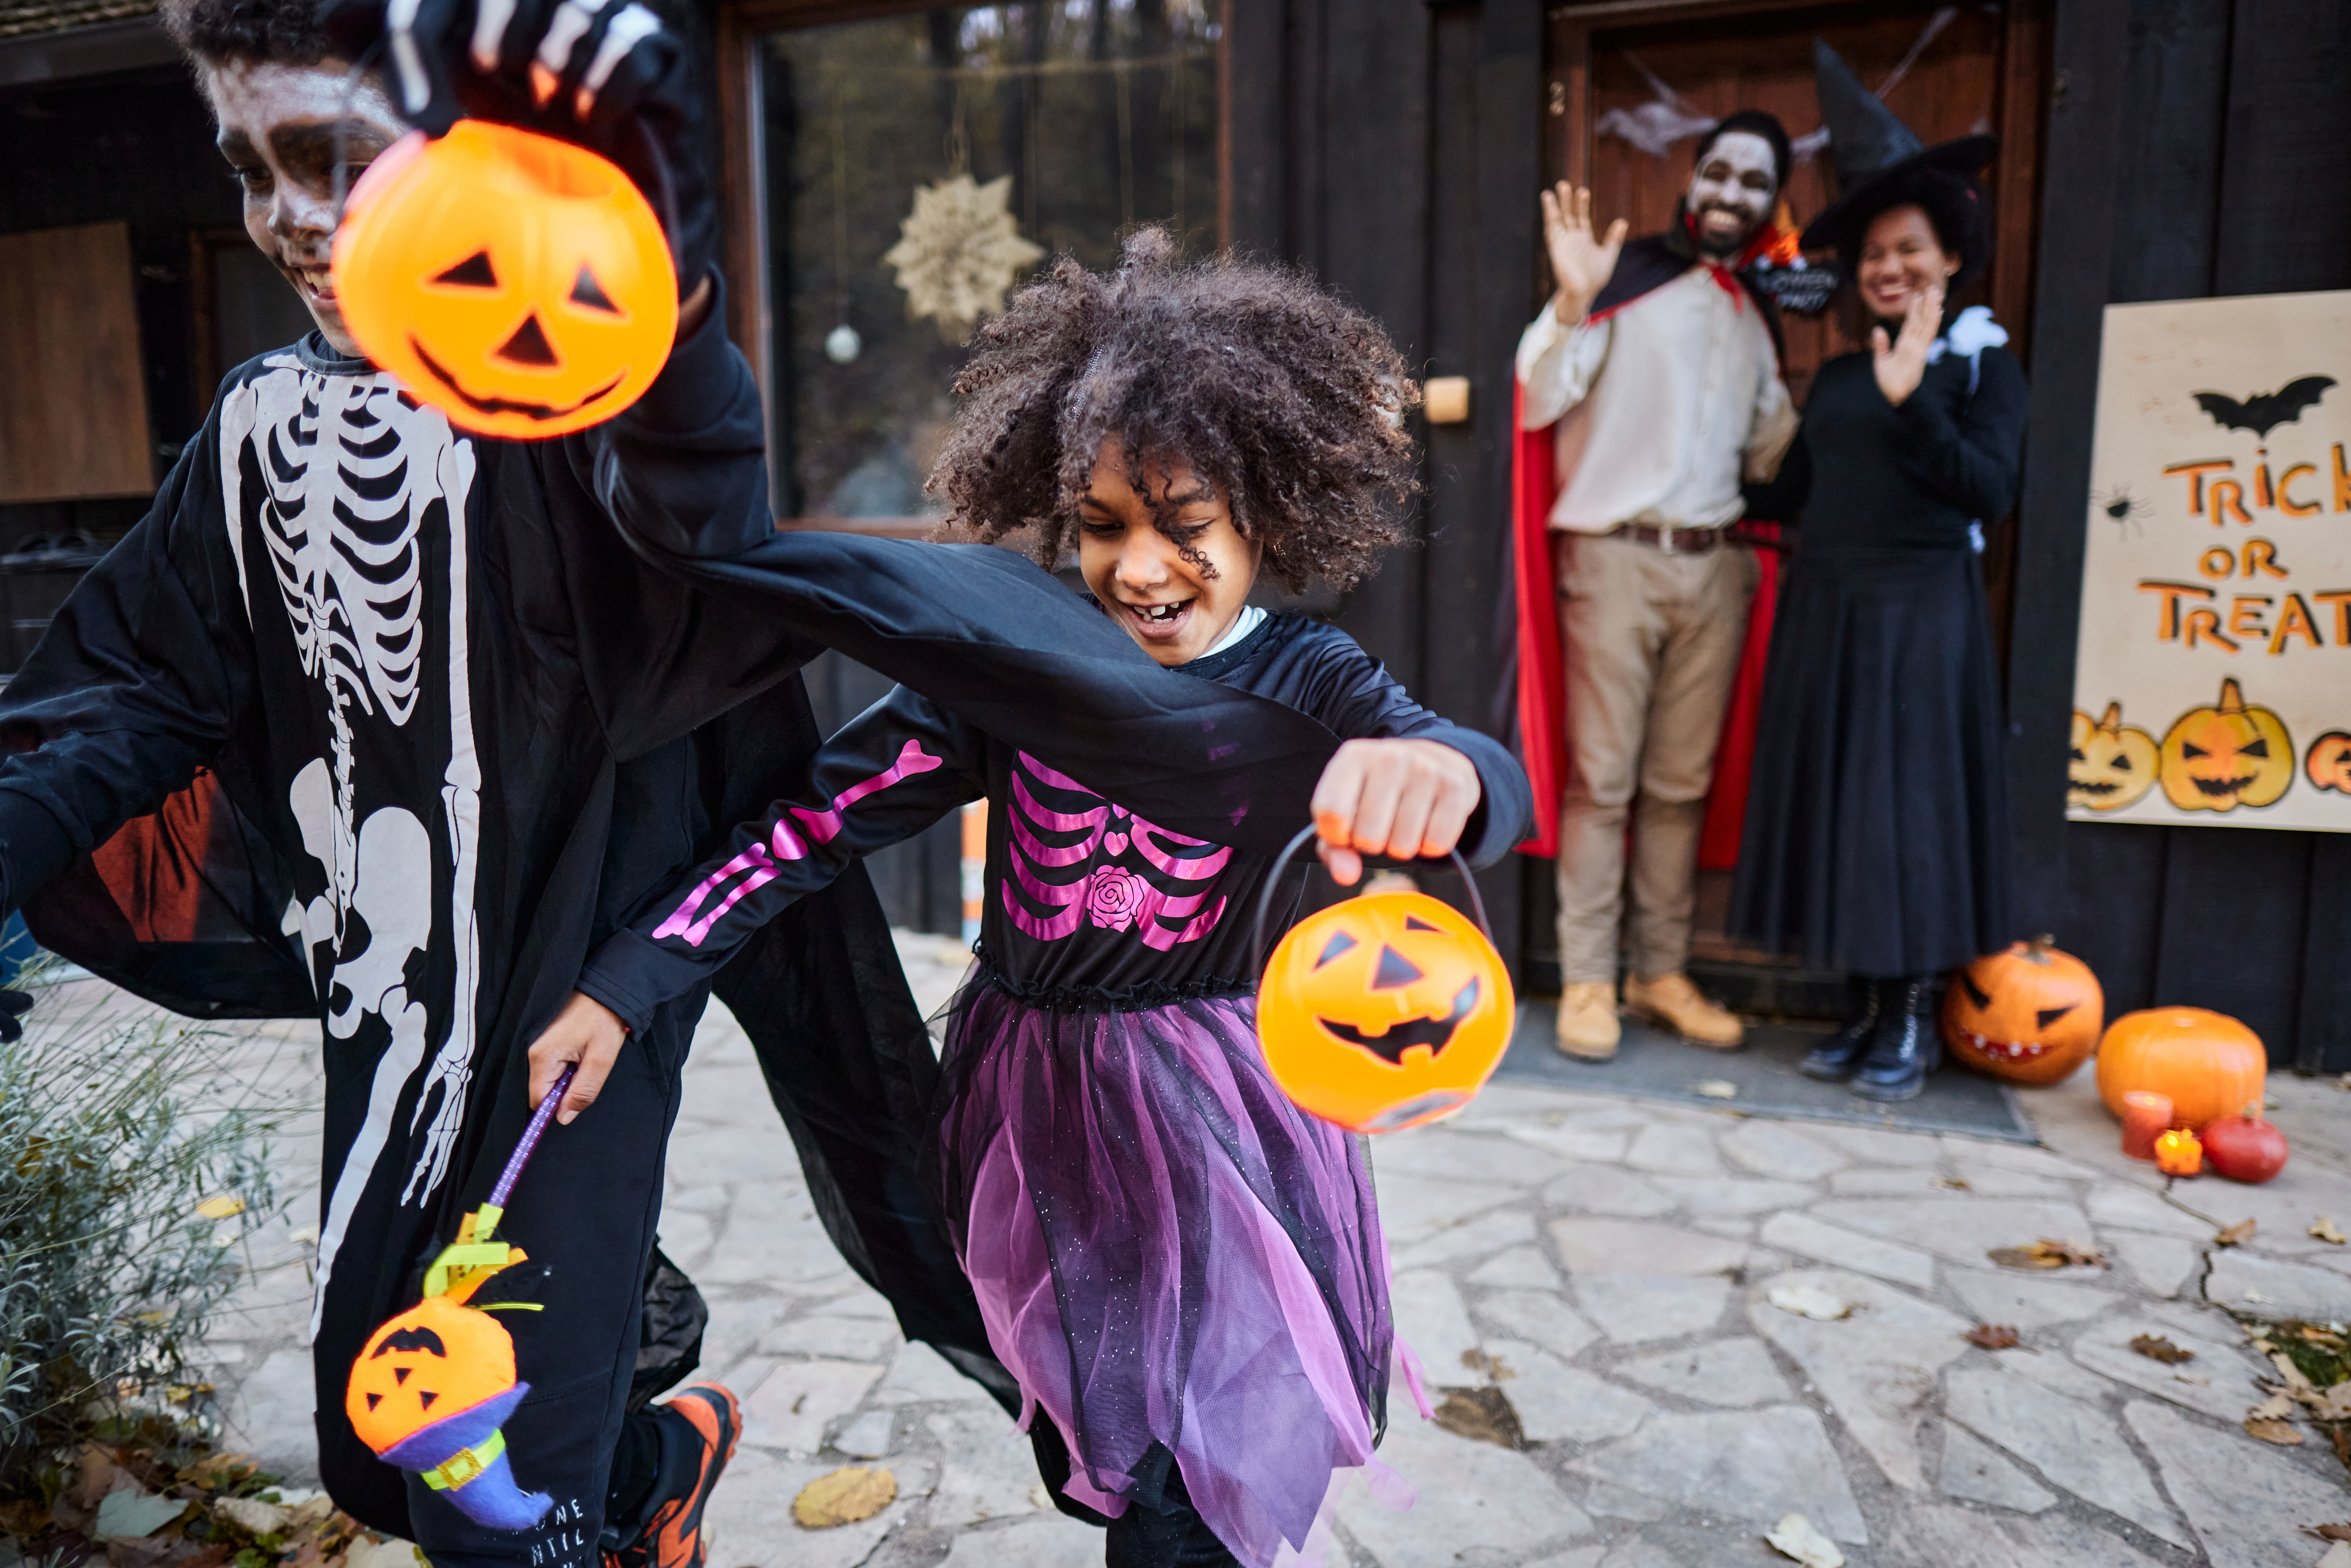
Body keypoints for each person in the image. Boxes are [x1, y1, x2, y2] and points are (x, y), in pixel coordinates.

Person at [0, 6, 1354, 1566]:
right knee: (377, 1455)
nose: (294, 214)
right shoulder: (253, 429)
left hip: (606, 932)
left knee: (552, 1462)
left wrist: (661, 242)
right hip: (408, 986)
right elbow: (136, 701)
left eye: (336, 156)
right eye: (252, 169)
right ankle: (656, 1455)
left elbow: (691, 490)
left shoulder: (551, 386)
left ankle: (1137, 1484)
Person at [530, 231, 1533, 1568]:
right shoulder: (1013, 668)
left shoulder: (1311, 679)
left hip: (1222, 1127)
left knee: (1192, 1462)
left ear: (1264, 517)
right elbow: (807, 825)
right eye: (1104, 526)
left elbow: (1470, 767)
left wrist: (1444, 775)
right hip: (1034, 1111)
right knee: (1092, 1435)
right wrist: (624, 978)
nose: (1141, 567)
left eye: (1186, 526)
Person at [1730, 42, 2024, 1103]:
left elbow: (1987, 489)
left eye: (1909, 251)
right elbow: (1792, 489)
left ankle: (1911, 1014)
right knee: (1842, 810)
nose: (1888, 270)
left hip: (1921, 622)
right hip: (1832, 611)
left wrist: (1920, 400)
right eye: (1874, 258)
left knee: (1906, 816)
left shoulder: (1984, 366)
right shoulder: (1845, 373)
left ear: (1949, 257)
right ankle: (1862, 1006)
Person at [1512, 112, 1799, 1063]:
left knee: (1680, 786)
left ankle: (1660, 972)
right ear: (1694, 179)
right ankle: (1590, 980)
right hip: (1615, 559)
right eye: (1718, 172)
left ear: (1769, 203)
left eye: (1754, 182)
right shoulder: (1624, 288)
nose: (1731, 193)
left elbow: (1771, 451)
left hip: (1716, 566)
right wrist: (1568, 300)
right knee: (1604, 782)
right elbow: (1540, 397)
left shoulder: (1755, 317)